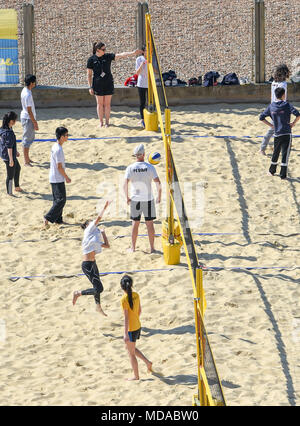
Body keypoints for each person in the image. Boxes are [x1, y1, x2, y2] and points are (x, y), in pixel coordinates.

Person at [87, 42, 142, 128]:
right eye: (103, 49)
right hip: (97, 84)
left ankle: (107, 122)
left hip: (108, 82)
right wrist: (90, 87)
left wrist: (133, 53)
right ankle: (101, 122)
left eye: (105, 49)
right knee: (100, 104)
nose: (105, 51)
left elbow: (121, 55)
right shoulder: (91, 59)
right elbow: (89, 75)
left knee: (107, 104)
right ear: (97, 50)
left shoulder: (107, 56)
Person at [72, 201, 111, 317]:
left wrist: (103, 233)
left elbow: (107, 245)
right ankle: (78, 293)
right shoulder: (88, 231)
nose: (94, 223)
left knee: (96, 287)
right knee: (100, 288)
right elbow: (99, 217)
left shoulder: (94, 238)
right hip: (87, 265)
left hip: (93, 264)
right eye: (91, 222)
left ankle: (98, 307)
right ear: (88, 225)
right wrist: (105, 207)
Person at [123, 143, 161, 253]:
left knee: (135, 224)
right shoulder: (150, 167)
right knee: (150, 224)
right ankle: (152, 248)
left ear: (135, 155)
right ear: (144, 154)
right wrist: (159, 195)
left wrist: (126, 197)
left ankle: (133, 248)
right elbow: (158, 182)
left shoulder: (130, 168)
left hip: (136, 199)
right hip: (148, 199)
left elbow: (125, 184)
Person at [259, 87, 300, 179]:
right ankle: (283, 175)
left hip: (277, 133)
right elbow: (298, 115)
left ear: (275, 95)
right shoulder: (287, 105)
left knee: (276, 153)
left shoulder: (271, 106)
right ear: (283, 95)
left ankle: (271, 171)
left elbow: (261, 118)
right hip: (286, 133)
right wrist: (293, 123)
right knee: (285, 154)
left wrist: (272, 126)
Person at [120, 274, 152, 381]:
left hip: (131, 329)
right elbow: (140, 311)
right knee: (130, 348)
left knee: (131, 353)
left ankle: (136, 376)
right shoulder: (137, 295)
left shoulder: (124, 299)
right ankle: (147, 362)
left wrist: (125, 333)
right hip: (138, 326)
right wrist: (136, 320)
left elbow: (126, 318)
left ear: (122, 287)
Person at [259, 64, 290, 155]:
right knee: (273, 129)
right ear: (284, 74)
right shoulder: (283, 84)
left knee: (279, 128)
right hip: (280, 109)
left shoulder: (273, 82)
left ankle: (284, 144)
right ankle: (262, 148)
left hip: (273, 106)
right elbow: (282, 97)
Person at [44, 127, 71, 225]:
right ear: (62, 136)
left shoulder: (55, 146)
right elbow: (59, 167)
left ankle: (58, 219)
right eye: (66, 135)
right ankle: (47, 217)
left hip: (54, 176)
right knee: (61, 200)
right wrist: (66, 177)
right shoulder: (58, 149)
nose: (67, 137)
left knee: (57, 200)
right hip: (57, 177)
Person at [0, 111, 23, 195]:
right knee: (10, 175)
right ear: (11, 121)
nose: (16, 121)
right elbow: (9, 147)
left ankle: (16, 187)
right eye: (15, 120)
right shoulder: (8, 133)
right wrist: (11, 159)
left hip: (8, 154)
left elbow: (7, 144)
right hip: (8, 156)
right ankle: (9, 192)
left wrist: (15, 151)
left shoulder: (5, 128)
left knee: (18, 168)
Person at [20, 74, 38, 166]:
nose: (35, 83)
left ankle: (27, 158)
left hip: (26, 117)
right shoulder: (27, 94)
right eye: (34, 82)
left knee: (29, 139)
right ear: (31, 83)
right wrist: (35, 122)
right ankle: (26, 161)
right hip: (27, 118)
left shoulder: (25, 90)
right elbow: (29, 110)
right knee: (27, 140)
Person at [135, 45, 148, 128]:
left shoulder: (152, 58)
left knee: (151, 101)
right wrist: (142, 64)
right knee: (142, 102)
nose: (148, 52)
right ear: (143, 51)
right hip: (142, 83)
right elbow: (137, 72)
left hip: (150, 83)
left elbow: (156, 71)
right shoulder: (139, 59)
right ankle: (142, 119)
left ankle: (150, 117)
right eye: (147, 50)